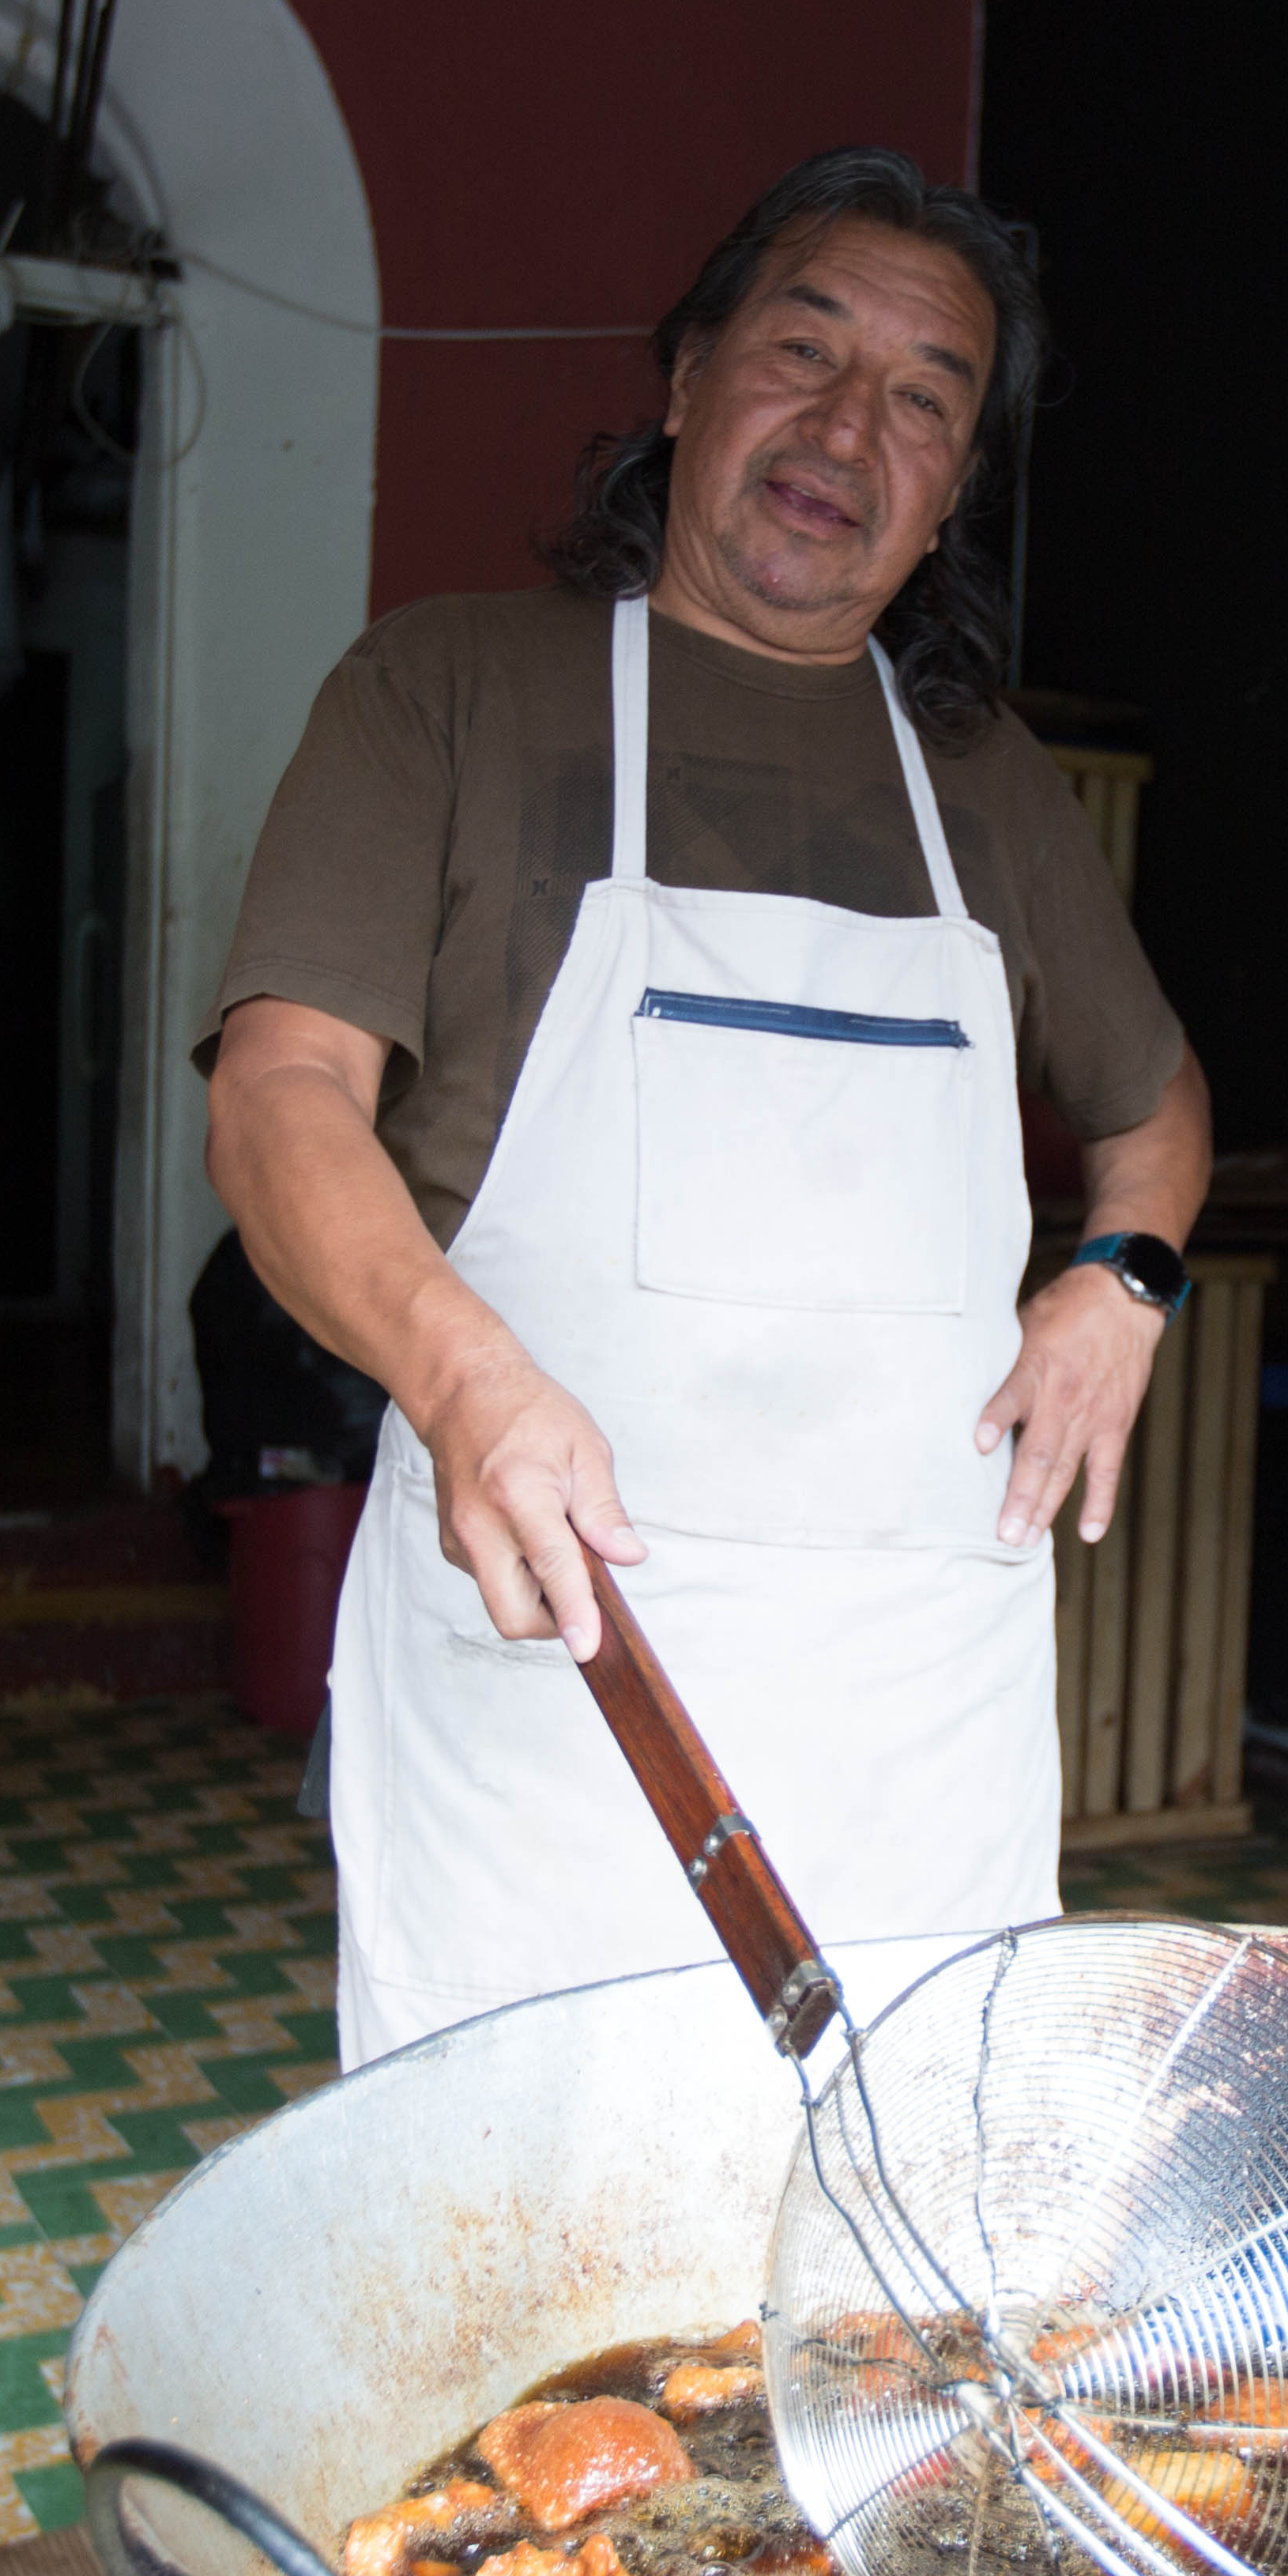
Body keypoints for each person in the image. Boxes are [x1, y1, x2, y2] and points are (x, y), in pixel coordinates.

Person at [200, 147, 1211, 2069]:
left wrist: (1124, 1286)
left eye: (925, 398)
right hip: (563, 1666)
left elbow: (1156, 1117)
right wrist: (465, 1376)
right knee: (534, 2249)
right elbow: (278, 1099)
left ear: (952, 495)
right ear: (683, 380)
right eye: (804, 348)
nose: (852, 424)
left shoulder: (985, 785)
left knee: (909, 2248)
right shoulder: (448, 689)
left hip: (915, 1701)